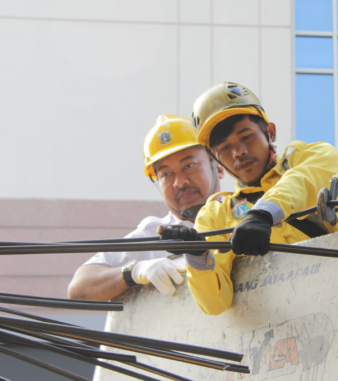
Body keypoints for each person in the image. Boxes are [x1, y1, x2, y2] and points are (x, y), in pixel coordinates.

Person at [159, 82, 338, 315]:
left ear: (270, 132)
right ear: (216, 160)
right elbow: (215, 304)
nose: (238, 151)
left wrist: (262, 215)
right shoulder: (216, 214)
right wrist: (197, 256)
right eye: (225, 147)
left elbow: (300, 182)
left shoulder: (311, 157)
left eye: (246, 137)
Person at [67, 115, 224, 301]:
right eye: (166, 174)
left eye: (189, 165)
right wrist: (134, 271)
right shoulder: (151, 235)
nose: (179, 182)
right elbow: (79, 290)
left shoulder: (245, 219)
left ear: (218, 165)